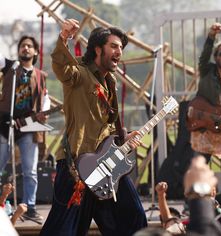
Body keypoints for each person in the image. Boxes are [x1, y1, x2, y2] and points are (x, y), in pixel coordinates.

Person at [40, 19, 147, 236]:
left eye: (121, 48)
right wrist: (63, 38)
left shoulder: (111, 83)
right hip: (76, 167)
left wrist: (122, 139)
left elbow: (105, 126)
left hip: (109, 165)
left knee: (133, 218)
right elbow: (61, 66)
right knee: (65, 229)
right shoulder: (78, 74)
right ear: (98, 49)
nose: (119, 52)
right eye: (114, 46)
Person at [0, 35, 50, 224]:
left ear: (35, 51)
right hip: (5, 122)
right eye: (23, 46)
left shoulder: (41, 75)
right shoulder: (9, 66)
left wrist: (44, 111)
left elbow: (46, 98)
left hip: (29, 125)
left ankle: (29, 207)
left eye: (29, 46)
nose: (26, 48)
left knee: (30, 171)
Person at [188, 22, 221, 170]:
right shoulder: (207, 70)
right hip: (204, 127)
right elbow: (204, 56)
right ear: (215, 57)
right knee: (198, 170)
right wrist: (211, 36)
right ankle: (196, 193)